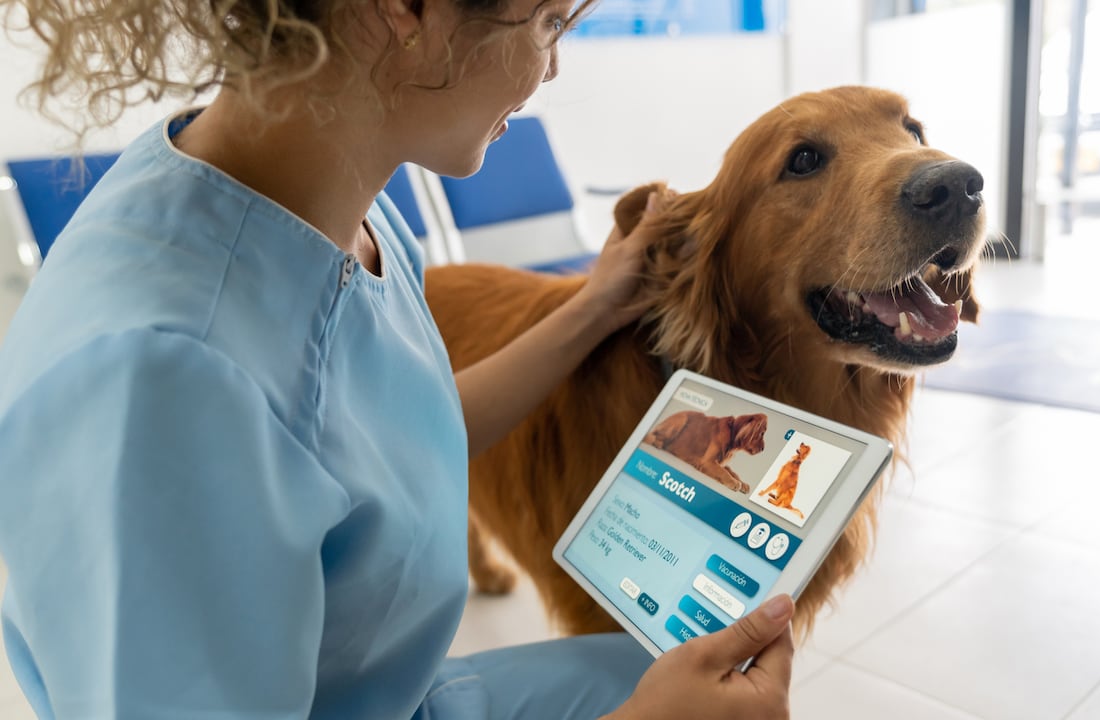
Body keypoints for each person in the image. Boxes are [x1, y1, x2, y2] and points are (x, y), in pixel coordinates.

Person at [0, 0, 797, 717]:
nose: (553, 65)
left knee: (675, 665)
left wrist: (594, 308)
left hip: (391, 697)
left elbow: (387, 433)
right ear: (408, 9)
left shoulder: (337, 208)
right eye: (549, 22)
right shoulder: (163, 382)